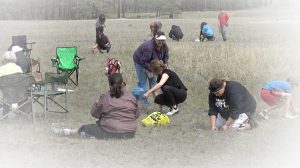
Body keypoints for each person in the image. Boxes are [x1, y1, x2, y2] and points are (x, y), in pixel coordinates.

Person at [51, 73, 141, 139]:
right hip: (130, 133)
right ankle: (88, 136)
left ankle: (66, 132)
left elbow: (94, 113)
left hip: (112, 131)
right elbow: (137, 115)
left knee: (88, 128)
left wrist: (96, 102)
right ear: (123, 83)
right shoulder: (132, 97)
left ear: (109, 85)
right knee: (97, 132)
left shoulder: (105, 97)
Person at [132, 31, 169, 106]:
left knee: (153, 84)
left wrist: (165, 63)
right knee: (143, 85)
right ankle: (143, 103)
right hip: (140, 62)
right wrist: (152, 70)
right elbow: (143, 61)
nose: (161, 42)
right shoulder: (149, 47)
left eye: (163, 40)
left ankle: (158, 102)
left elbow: (166, 55)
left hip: (152, 65)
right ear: (155, 39)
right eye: (159, 40)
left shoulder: (164, 46)